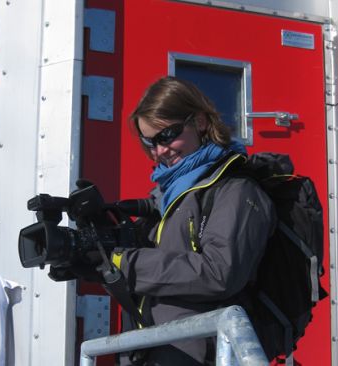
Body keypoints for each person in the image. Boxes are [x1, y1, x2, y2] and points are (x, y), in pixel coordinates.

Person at [110, 76, 277, 365]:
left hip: (205, 355)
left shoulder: (236, 189)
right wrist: (99, 260)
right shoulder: (168, 197)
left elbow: (219, 273)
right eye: (149, 142)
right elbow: (152, 279)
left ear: (199, 122)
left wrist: (126, 263)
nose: (160, 151)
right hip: (155, 351)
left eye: (167, 135)